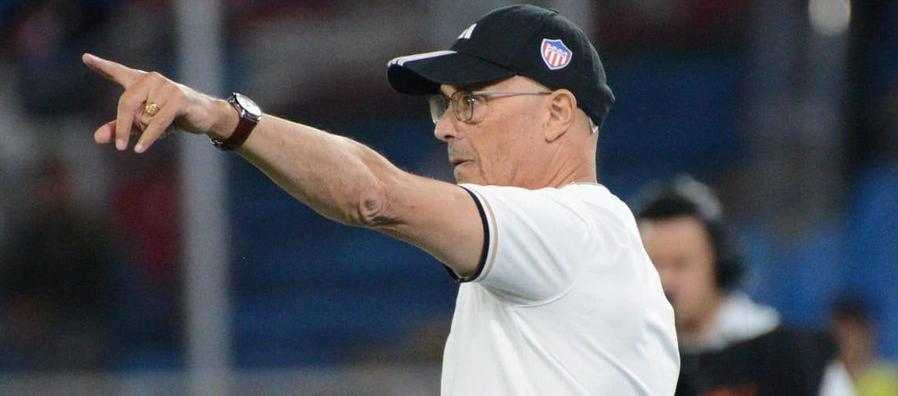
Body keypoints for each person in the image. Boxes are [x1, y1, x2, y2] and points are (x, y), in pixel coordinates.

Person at [83, 5, 678, 394]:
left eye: (471, 102)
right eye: (443, 104)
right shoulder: (553, 247)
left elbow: (373, 195)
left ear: (557, 113)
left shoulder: (578, 229)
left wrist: (220, 115)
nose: (445, 127)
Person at [636, 176, 856, 396]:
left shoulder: (791, 356)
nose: (665, 281)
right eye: (654, 265)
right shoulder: (632, 360)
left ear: (719, 264)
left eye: (680, 264)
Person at [830, 297, 898, 396]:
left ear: (868, 335)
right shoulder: (821, 378)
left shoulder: (888, 380)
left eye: (853, 334)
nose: (847, 343)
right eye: (840, 336)